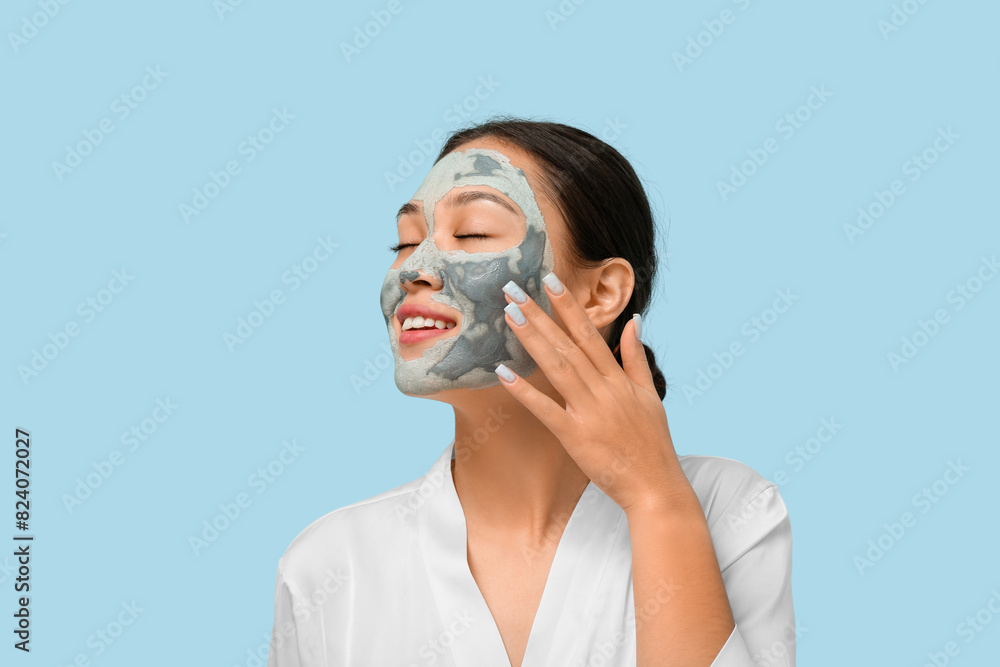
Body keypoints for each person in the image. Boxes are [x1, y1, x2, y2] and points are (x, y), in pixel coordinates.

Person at [266, 118, 794, 667]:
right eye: (404, 241)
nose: (413, 269)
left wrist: (656, 500)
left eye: (471, 233)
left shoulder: (730, 512)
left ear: (601, 294)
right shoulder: (327, 567)